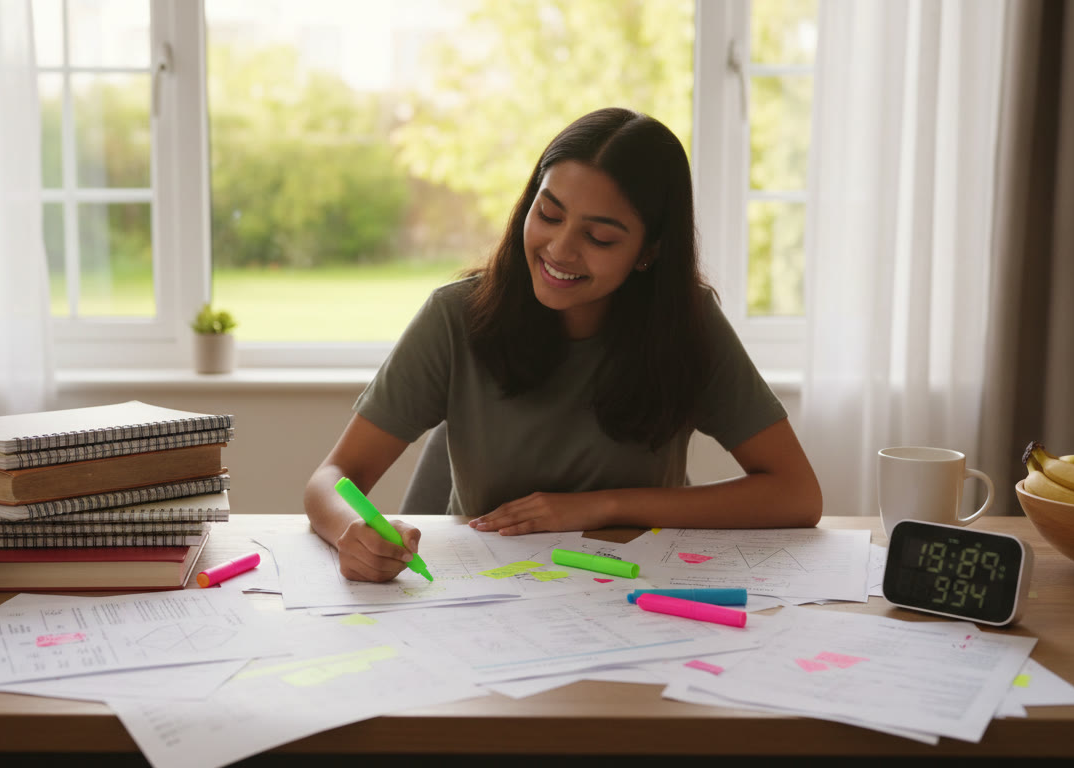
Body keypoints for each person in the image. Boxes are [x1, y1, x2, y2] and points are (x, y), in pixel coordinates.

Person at [303, 107, 822, 583]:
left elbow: (796, 493)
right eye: (549, 214)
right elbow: (332, 478)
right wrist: (352, 532)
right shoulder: (456, 316)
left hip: (632, 598)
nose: (560, 249)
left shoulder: (687, 324)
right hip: (486, 603)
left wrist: (603, 506)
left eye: (599, 238)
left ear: (649, 252)